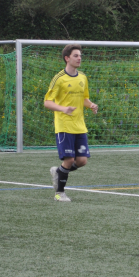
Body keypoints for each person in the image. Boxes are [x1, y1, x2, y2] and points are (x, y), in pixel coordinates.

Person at [44, 44, 98, 202]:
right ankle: (59, 193)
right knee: (69, 159)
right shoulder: (59, 78)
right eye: (76, 55)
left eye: (80, 55)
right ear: (67, 58)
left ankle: (58, 172)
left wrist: (91, 105)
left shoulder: (82, 77)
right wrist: (63, 109)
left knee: (81, 161)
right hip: (64, 125)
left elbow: (84, 98)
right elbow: (47, 102)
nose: (79, 58)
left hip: (79, 126)